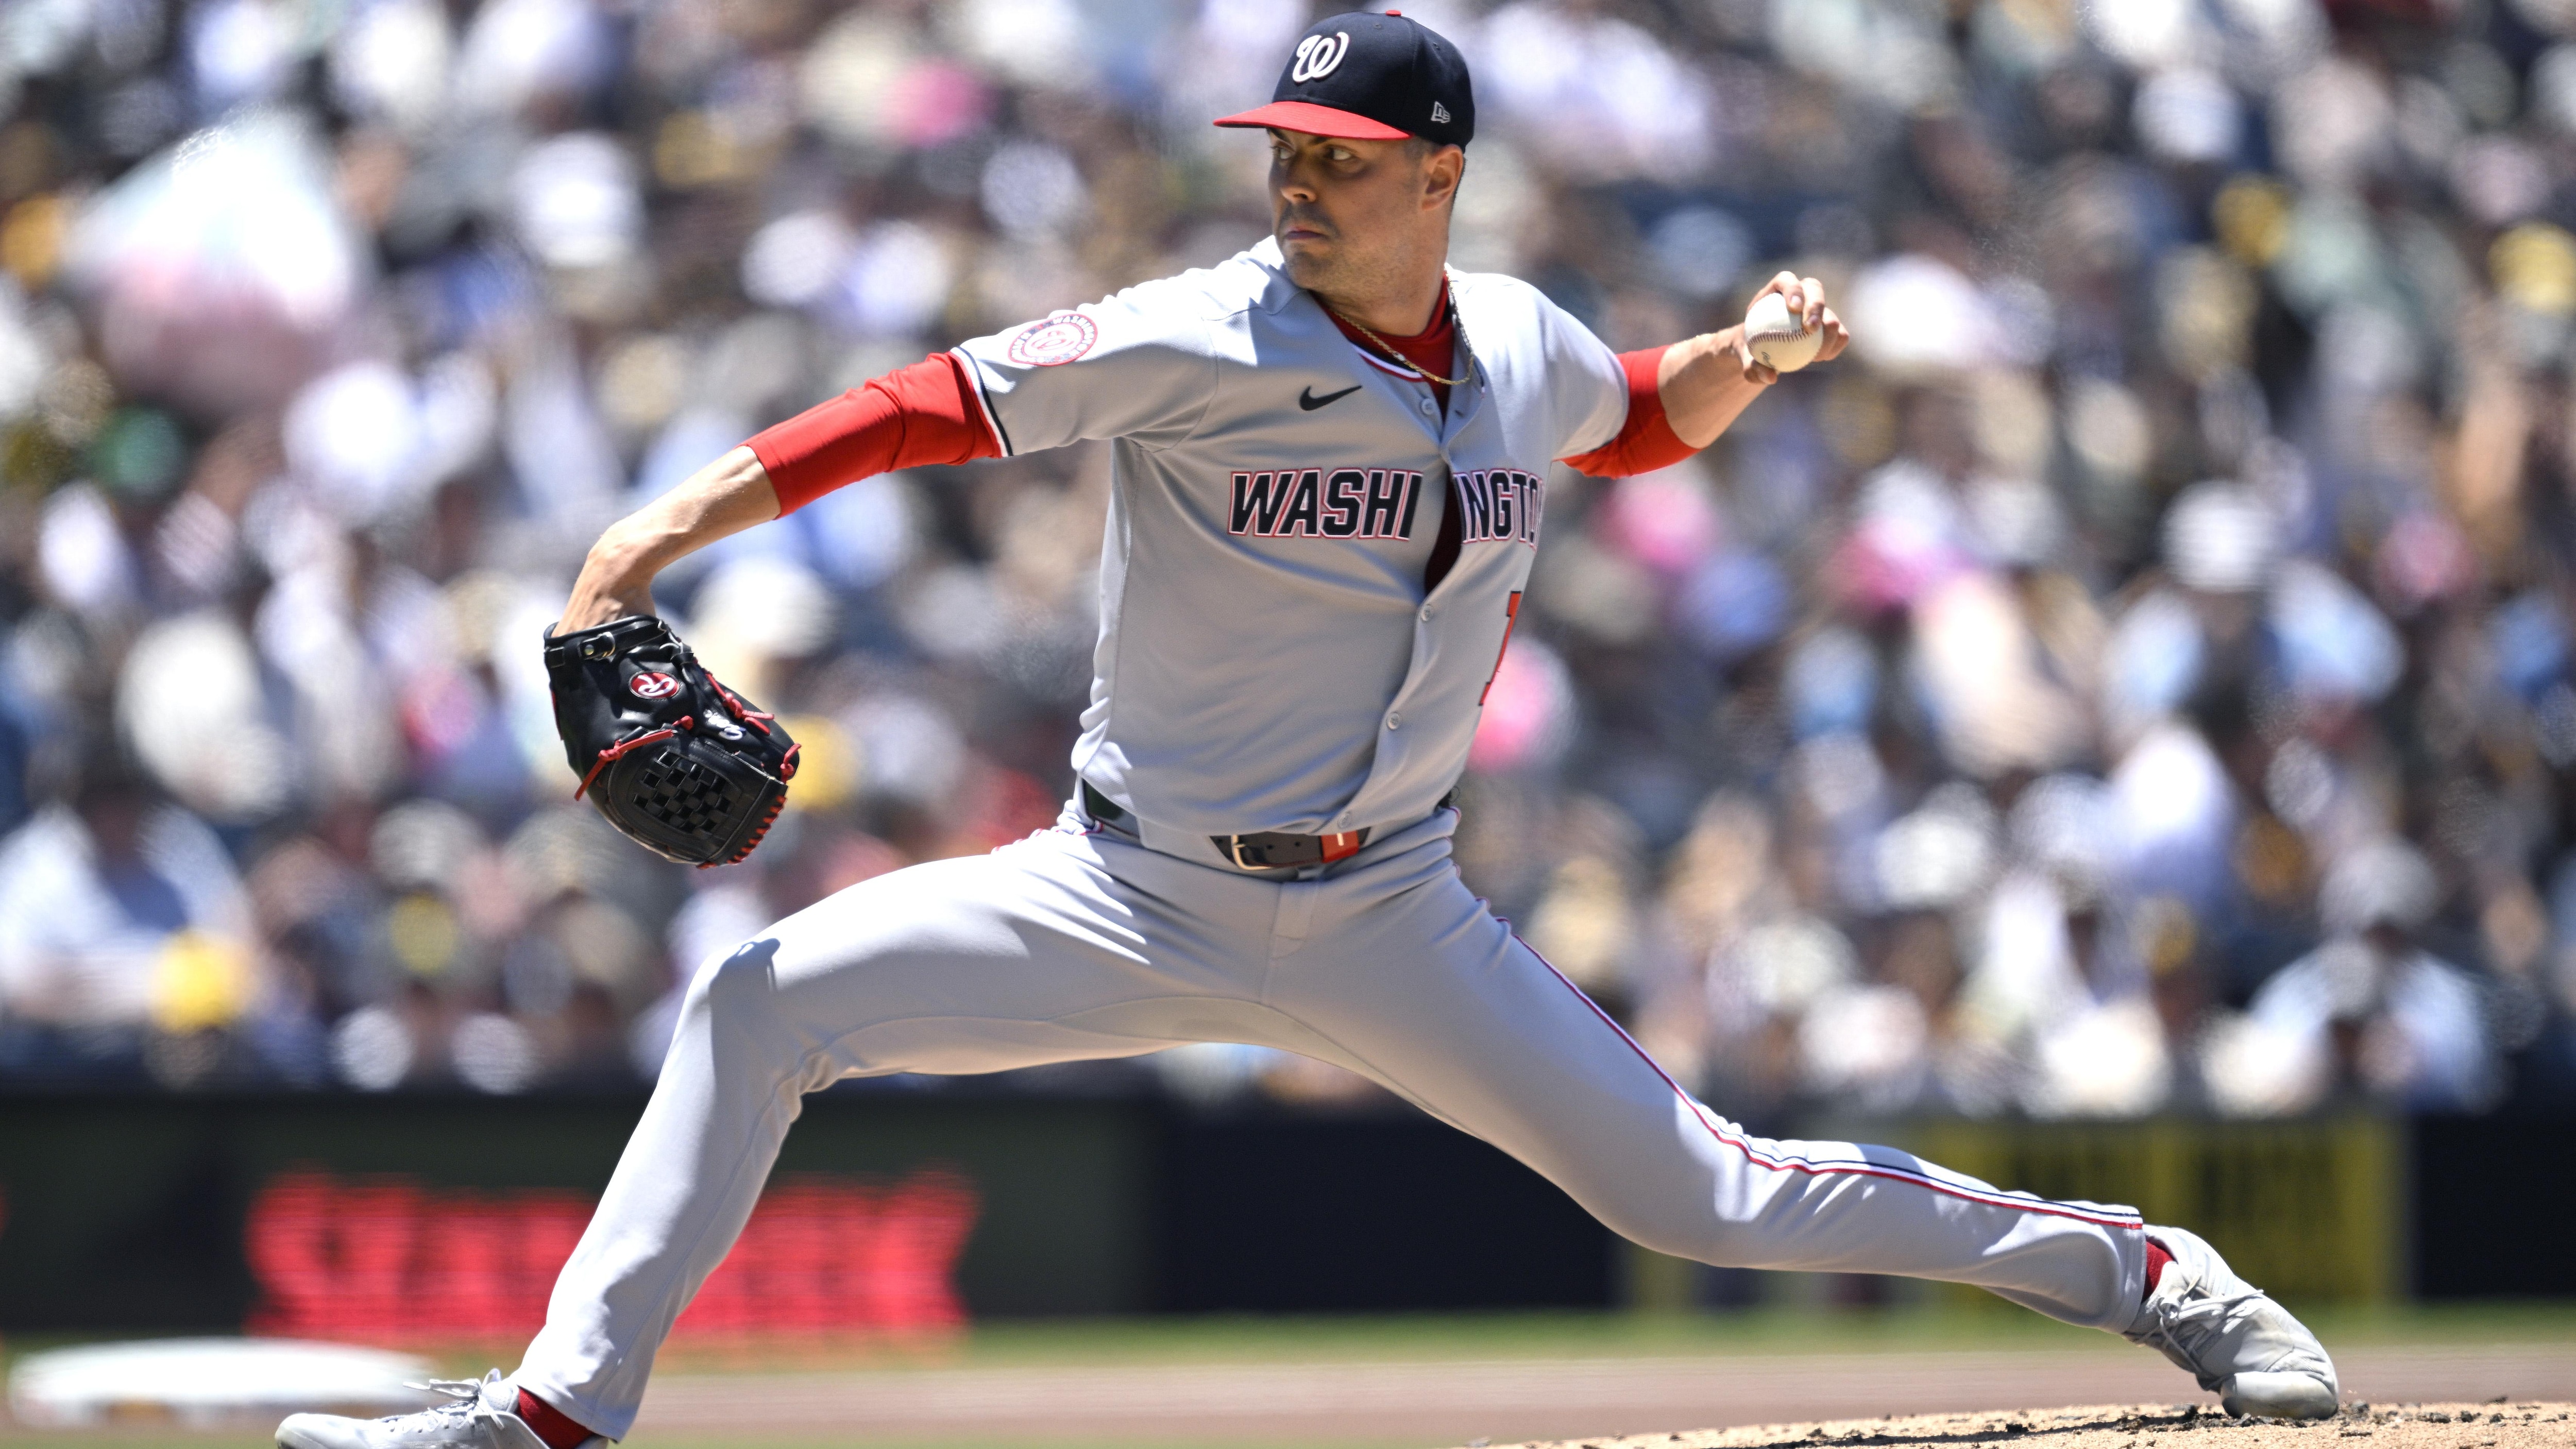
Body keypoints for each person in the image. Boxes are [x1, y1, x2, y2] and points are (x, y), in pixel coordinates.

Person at [276, 15, 2337, 1449]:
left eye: (1339, 162)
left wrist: (1742, 358)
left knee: (1701, 1194)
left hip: (1393, 910)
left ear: (1438, 172)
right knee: (755, 1001)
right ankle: (551, 1410)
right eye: (1280, 153)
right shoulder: (1198, 330)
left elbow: (1623, 411)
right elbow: (909, 408)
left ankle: (2142, 1269)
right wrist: (648, 529)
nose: (1294, 188)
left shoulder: (1513, 342)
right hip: (1118, 882)